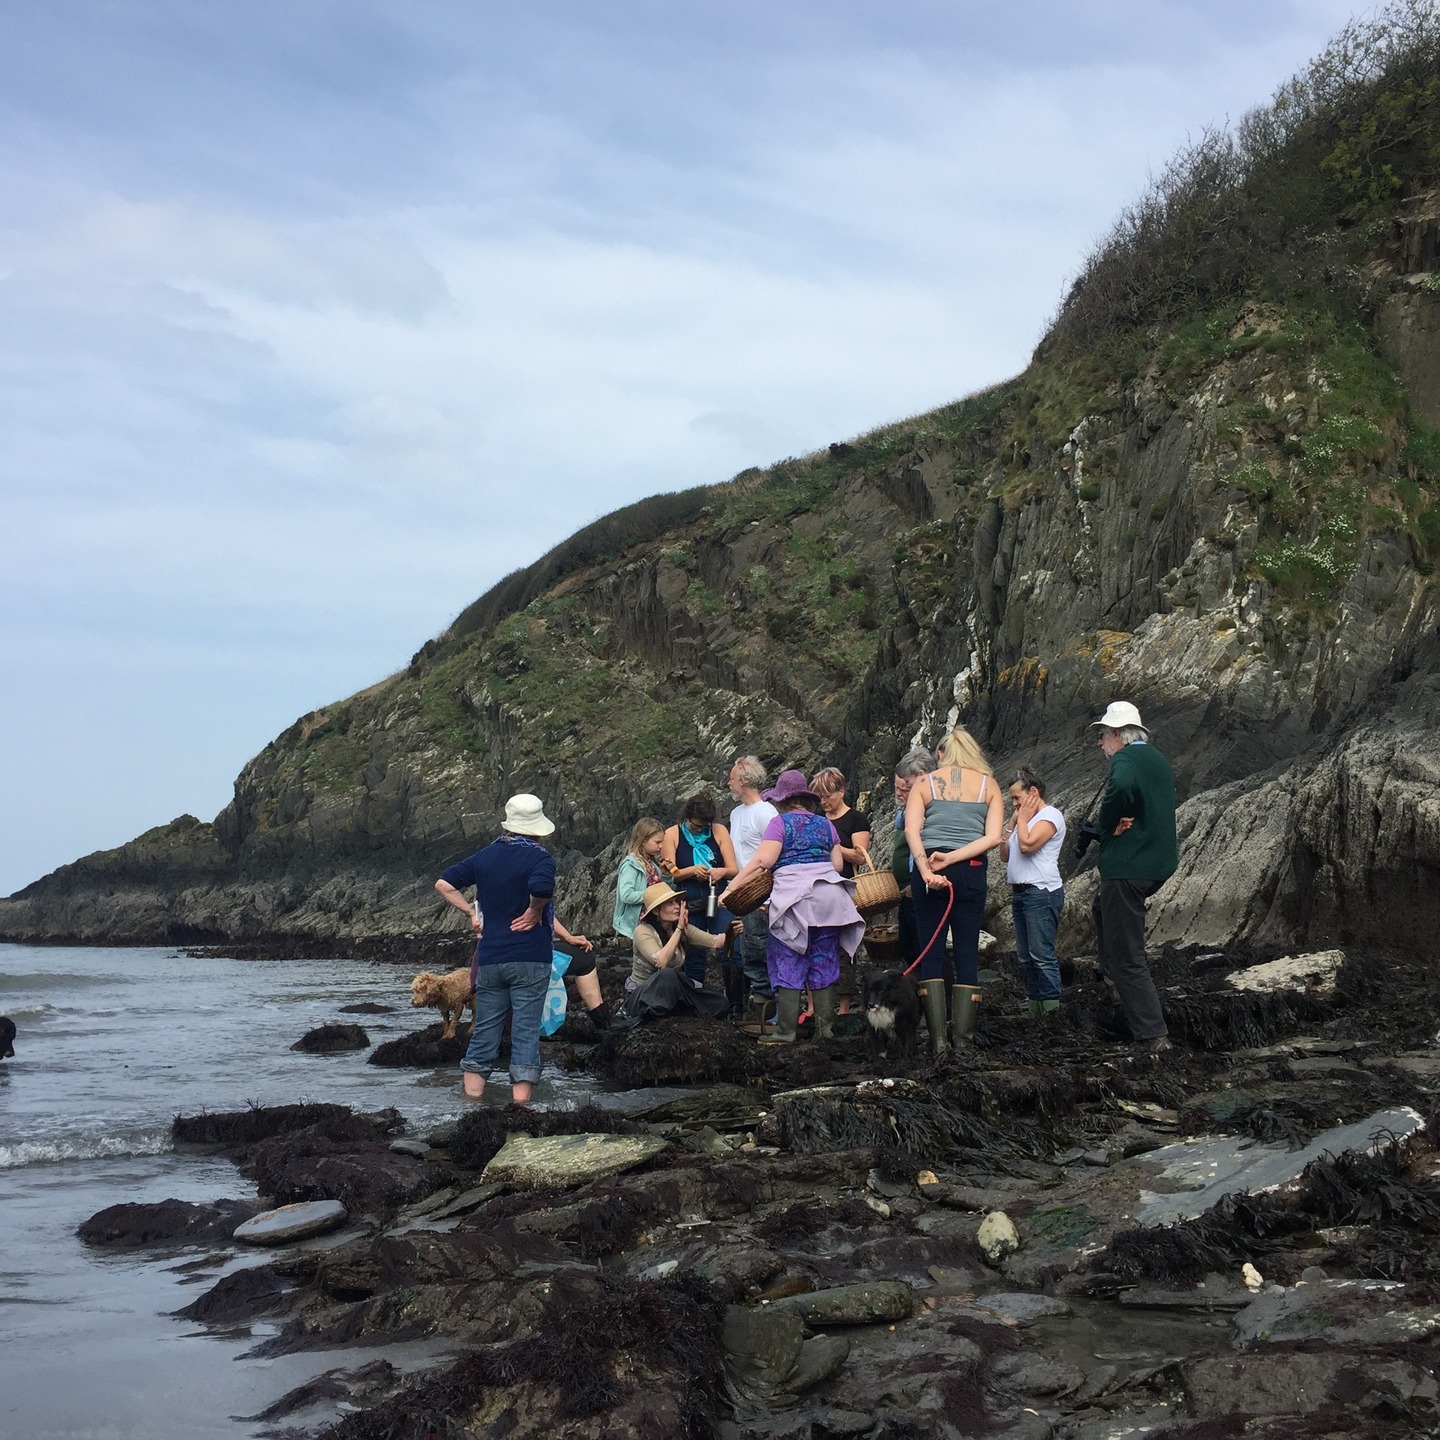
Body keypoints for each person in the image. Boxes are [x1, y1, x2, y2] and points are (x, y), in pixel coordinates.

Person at [721, 769, 864, 1044]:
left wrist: (732, 888)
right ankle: (825, 1031)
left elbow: (762, 861)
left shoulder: (780, 823)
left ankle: (786, 1031)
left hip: (795, 901)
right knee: (824, 960)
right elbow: (837, 865)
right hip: (830, 901)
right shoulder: (825, 825)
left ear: (782, 800)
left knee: (788, 958)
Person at [435, 793, 557, 1103]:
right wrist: (534, 912)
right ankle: (520, 1107)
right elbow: (542, 887)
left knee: (485, 1029)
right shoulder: (540, 858)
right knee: (525, 1032)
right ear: (538, 829)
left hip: (490, 957)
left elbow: (444, 884)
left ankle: (472, 1102)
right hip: (530, 956)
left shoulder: (484, 856)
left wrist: (470, 912)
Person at [905, 727, 1004, 1054]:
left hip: (930, 869)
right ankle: (963, 1041)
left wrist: (927, 870)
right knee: (966, 953)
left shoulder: (924, 783)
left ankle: (938, 1042)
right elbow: (993, 838)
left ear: (942, 754)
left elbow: (912, 832)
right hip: (970, 870)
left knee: (931, 952)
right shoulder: (989, 785)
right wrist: (955, 858)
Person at [1091, 701, 1178, 1052]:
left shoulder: (1124, 759)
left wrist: (1107, 823)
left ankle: (1152, 1035)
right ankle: (1113, 982)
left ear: (1117, 734)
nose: (1100, 743)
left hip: (1128, 867)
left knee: (1127, 955)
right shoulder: (1157, 759)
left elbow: (1122, 784)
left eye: (1102, 735)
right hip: (1157, 864)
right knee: (1101, 910)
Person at [1005, 766, 1067, 1019]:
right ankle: (1035, 1010)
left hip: (1041, 891)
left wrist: (1022, 819)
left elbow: (1028, 845)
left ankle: (1051, 1013)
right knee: (1025, 956)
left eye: (1016, 798)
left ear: (1033, 792)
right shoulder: (1023, 819)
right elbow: (1004, 854)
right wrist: (1012, 823)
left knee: (1042, 955)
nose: (1014, 803)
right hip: (1020, 892)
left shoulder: (1050, 816)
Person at [621, 882, 731, 1023]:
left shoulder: (682, 928)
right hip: (644, 994)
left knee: (719, 1003)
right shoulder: (642, 931)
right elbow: (661, 961)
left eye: (676, 902)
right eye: (670, 903)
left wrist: (733, 930)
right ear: (656, 911)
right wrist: (678, 929)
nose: (677, 906)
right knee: (668, 975)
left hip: (673, 992)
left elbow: (715, 942)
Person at [811, 766, 871, 1014]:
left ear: (841, 792)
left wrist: (832, 843)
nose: (824, 802)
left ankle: (844, 1006)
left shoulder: (856, 819)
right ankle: (814, 1004)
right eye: (820, 797)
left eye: (828, 796)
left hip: (846, 890)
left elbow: (860, 856)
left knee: (845, 948)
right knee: (814, 945)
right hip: (817, 888)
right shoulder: (817, 819)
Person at [662, 791, 738, 985]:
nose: (700, 830)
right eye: (696, 826)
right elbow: (672, 871)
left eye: (705, 826)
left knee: (731, 945)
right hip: (690, 897)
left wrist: (721, 871)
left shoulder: (719, 831)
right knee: (694, 954)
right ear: (687, 818)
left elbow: (733, 870)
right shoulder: (672, 834)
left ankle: (734, 996)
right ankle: (693, 994)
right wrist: (692, 870)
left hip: (718, 895)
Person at [727, 757, 779, 1025]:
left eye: (732, 778)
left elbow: (771, 857)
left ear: (744, 780)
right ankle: (760, 1009)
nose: (728, 783)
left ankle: (770, 1012)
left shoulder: (766, 813)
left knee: (761, 950)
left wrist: (768, 897)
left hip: (762, 897)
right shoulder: (736, 814)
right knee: (747, 952)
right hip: (741, 897)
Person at [890, 748, 937, 971]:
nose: (899, 793)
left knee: (923, 945)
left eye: (905, 788)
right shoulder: (909, 809)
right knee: (908, 943)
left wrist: (917, 879)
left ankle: (930, 987)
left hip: (923, 883)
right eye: (896, 787)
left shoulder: (932, 808)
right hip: (909, 886)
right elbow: (901, 822)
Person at [613, 818, 665, 940]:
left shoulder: (653, 864)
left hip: (653, 920)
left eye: (662, 842)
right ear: (644, 840)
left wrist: (666, 875)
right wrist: (653, 896)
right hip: (636, 925)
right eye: (657, 842)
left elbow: (665, 890)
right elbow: (626, 895)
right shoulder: (630, 865)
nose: (661, 846)